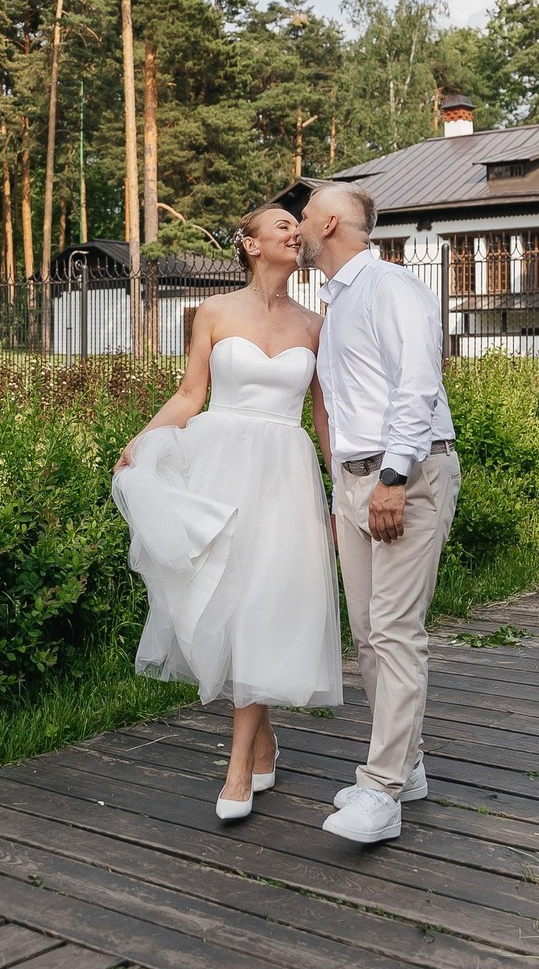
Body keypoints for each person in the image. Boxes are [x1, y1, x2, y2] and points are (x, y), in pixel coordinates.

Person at [112, 206, 343, 821]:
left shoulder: (316, 325)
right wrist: (139, 442)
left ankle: (238, 768)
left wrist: (342, 490)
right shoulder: (213, 311)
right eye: (281, 225)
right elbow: (191, 394)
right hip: (220, 467)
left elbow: (323, 417)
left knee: (265, 603)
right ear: (251, 244)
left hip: (286, 474)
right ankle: (263, 741)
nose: (294, 231)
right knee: (226, 602)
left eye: (297, 225)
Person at [298, 183, 461, 845]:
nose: (298, 226)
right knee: (368, 632)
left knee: (394, 630)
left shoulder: (391, 287)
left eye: (306, 216)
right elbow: (344, 404)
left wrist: (392, 478)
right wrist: (348, 488)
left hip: (407, 475)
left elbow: (418, 385)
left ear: (330, 223)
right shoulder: (338, 301)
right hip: (357, 480)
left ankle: (383, 790)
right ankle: (408, 765)